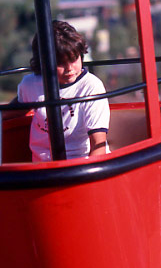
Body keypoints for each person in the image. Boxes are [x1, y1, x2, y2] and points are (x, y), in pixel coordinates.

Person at [17, 20, 110, 162]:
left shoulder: (91, 87)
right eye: (60, 63)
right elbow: (18, 107)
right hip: (42, 167)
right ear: (43, 62)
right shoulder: (30, 84)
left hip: (80, 164)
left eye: (74, 59)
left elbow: (98, 145)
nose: (69, 69)